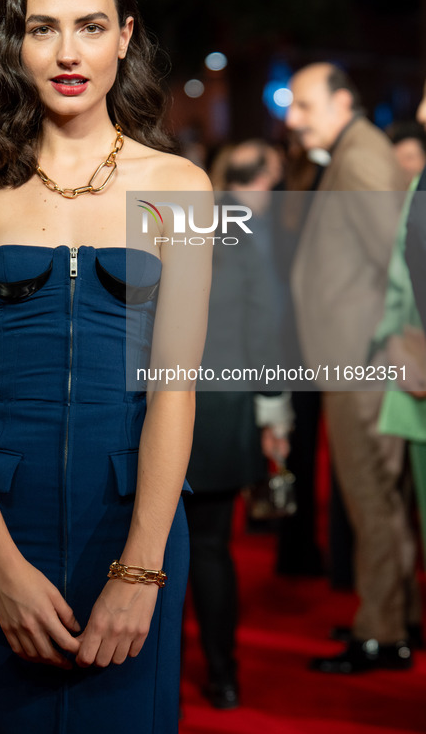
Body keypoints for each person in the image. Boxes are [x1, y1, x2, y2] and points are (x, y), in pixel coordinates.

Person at [0, 0, 211, 733]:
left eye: (89, 25)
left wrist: (141, 569)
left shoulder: (179, 186)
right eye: (42, 27)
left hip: (135, 508)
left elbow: (174, 388)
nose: (66, 51)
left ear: (124, 35)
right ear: (14, 41)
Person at [288, 62, 418, 673]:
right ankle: (394, 616)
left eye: (305, 105)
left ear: (343, 102)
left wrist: (395, 349)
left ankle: (383, 632)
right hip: (358, 360)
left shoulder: (362, 156)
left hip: (365, 364)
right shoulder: (353, 152)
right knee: (376, 502)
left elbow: (401, 264)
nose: (293, 118)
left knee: (372, 500)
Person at [184, 143, 292, 710]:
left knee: (151, 548)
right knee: (210, 547)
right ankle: (223, 675)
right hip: (220, 405)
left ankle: (158, 671)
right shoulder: (238, 224)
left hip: (152, 405)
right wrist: (274, 410)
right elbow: (265, 321)